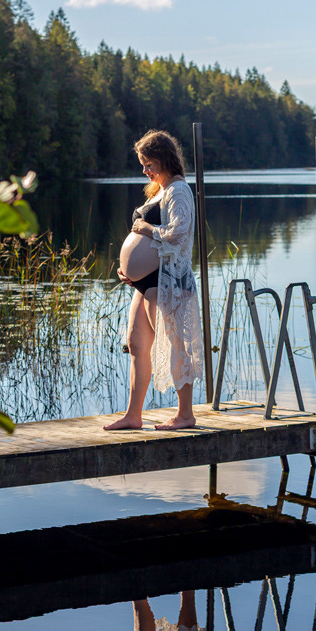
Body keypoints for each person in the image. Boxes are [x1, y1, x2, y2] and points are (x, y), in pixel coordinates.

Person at [104, 130, 204, 431]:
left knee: (176, 344)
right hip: (145, 282)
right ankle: (134, 416)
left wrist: (145, 228)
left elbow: (178, 233)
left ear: (164, 159)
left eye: (148, 163)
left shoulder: (178, 190)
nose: (145, 170)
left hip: (169, 280)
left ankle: (185, 414)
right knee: (136, 345)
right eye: (143, 164)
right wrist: (129, 270)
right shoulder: (159, 190)